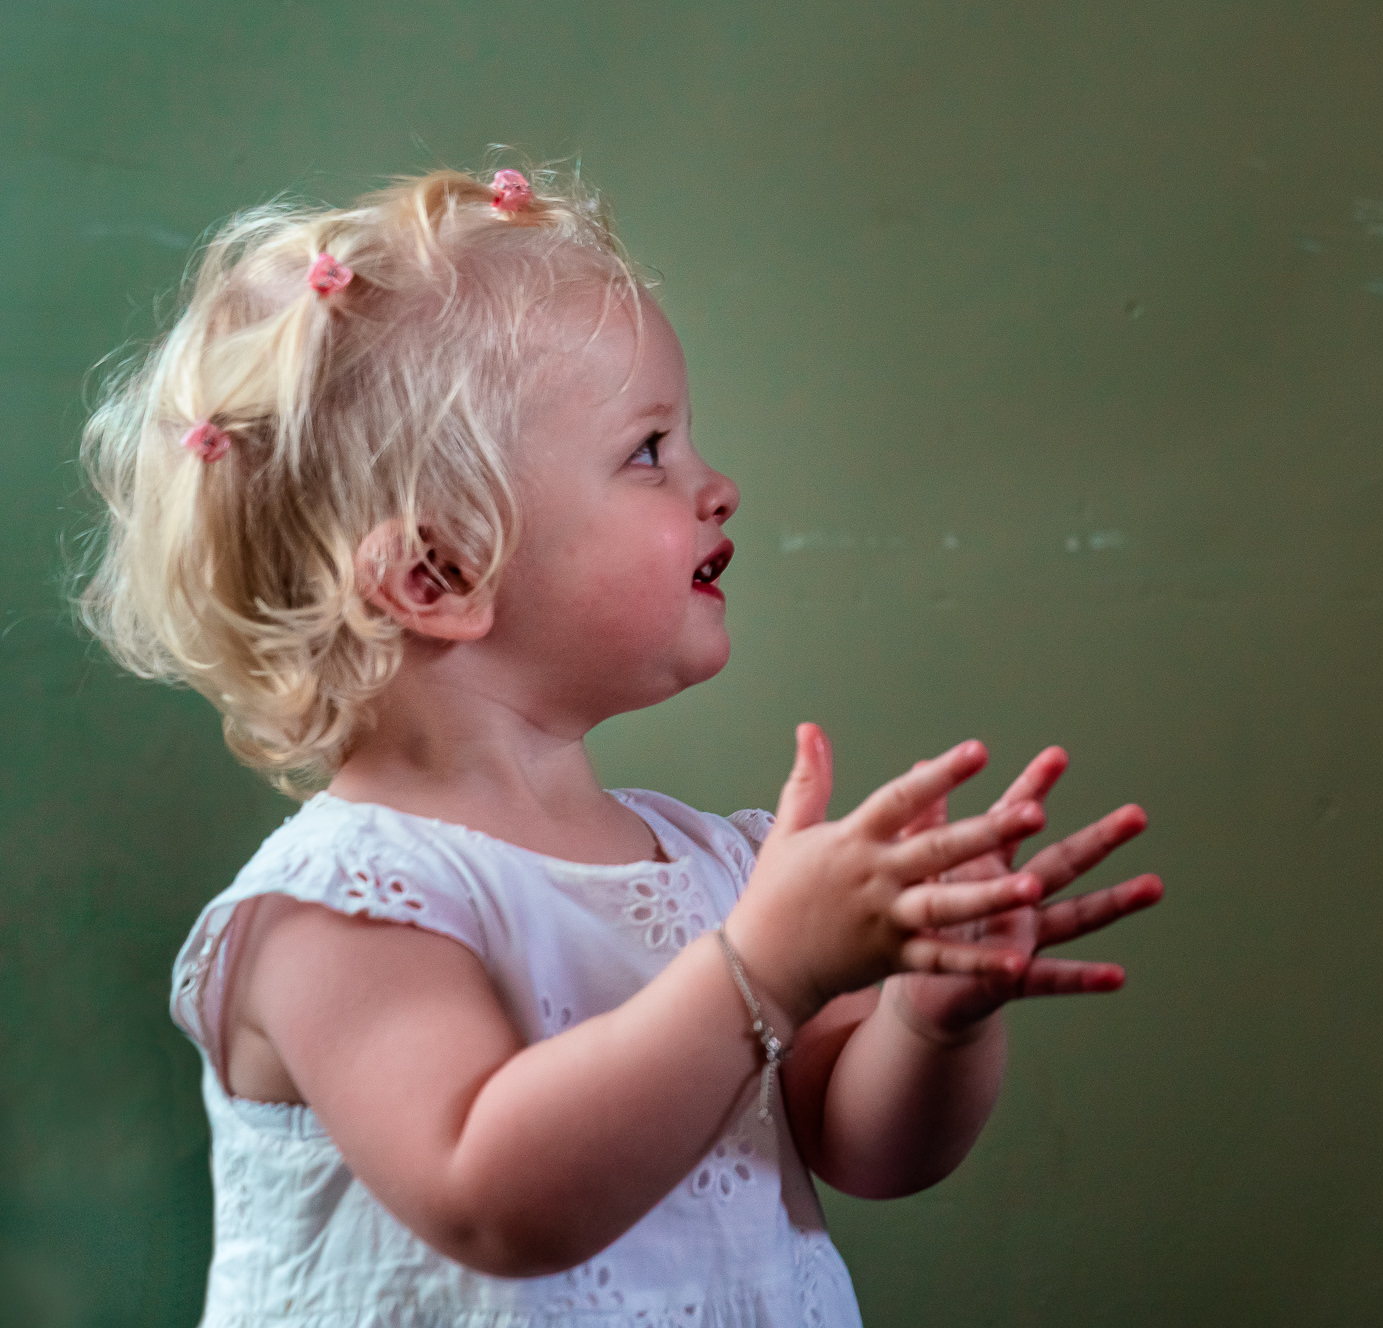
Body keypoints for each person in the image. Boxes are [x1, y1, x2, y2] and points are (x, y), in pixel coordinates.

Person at [79, 166, 1163, 1326]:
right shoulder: (339, 911)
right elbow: (493, 1197)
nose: (717, 486)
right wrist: (762, 972)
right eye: (650, 450)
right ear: (437, 575)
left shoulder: (713, 872)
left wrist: (931, 1018)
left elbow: (864, 1144)